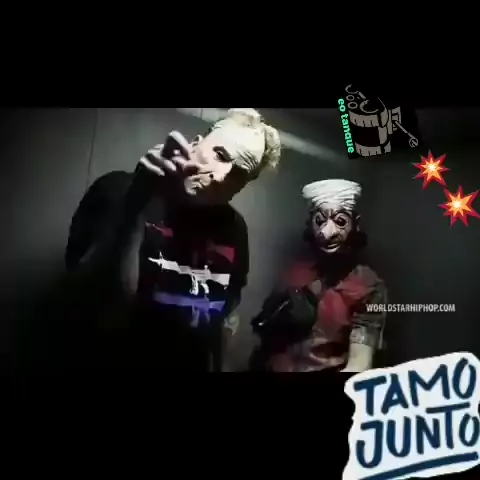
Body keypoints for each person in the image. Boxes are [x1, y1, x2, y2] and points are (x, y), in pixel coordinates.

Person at [61, 108, 281, 371]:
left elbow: (223, 315)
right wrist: (138, 198)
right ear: (195, 144)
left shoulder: (234, 228)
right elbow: (83, 295)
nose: (221, 176)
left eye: (238, 174)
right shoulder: (118, 190)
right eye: (220, 155)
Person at [250, 179, 387, 373]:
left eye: (340, 221)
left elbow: (359, 364)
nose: (327, 233)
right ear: (310, 223)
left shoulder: (368, 286)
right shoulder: (295, 273)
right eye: (320, 221)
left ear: (355, 224)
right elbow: (267, 341)